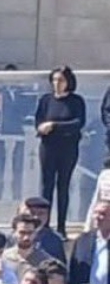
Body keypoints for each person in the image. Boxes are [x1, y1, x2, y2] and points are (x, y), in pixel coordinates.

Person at [35, 65, 86, 236]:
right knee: (46, 185)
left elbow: (78, 123)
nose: (57, 84)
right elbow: (38, 120)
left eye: (61, 80)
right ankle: (44, 224)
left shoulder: (76, 101)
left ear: (68, 82)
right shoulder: (46, 100)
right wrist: (41, 127)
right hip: (48, 147)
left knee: (63, 185)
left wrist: (54, 126)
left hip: (67, 148)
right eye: (54, 80)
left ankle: (61, 226)